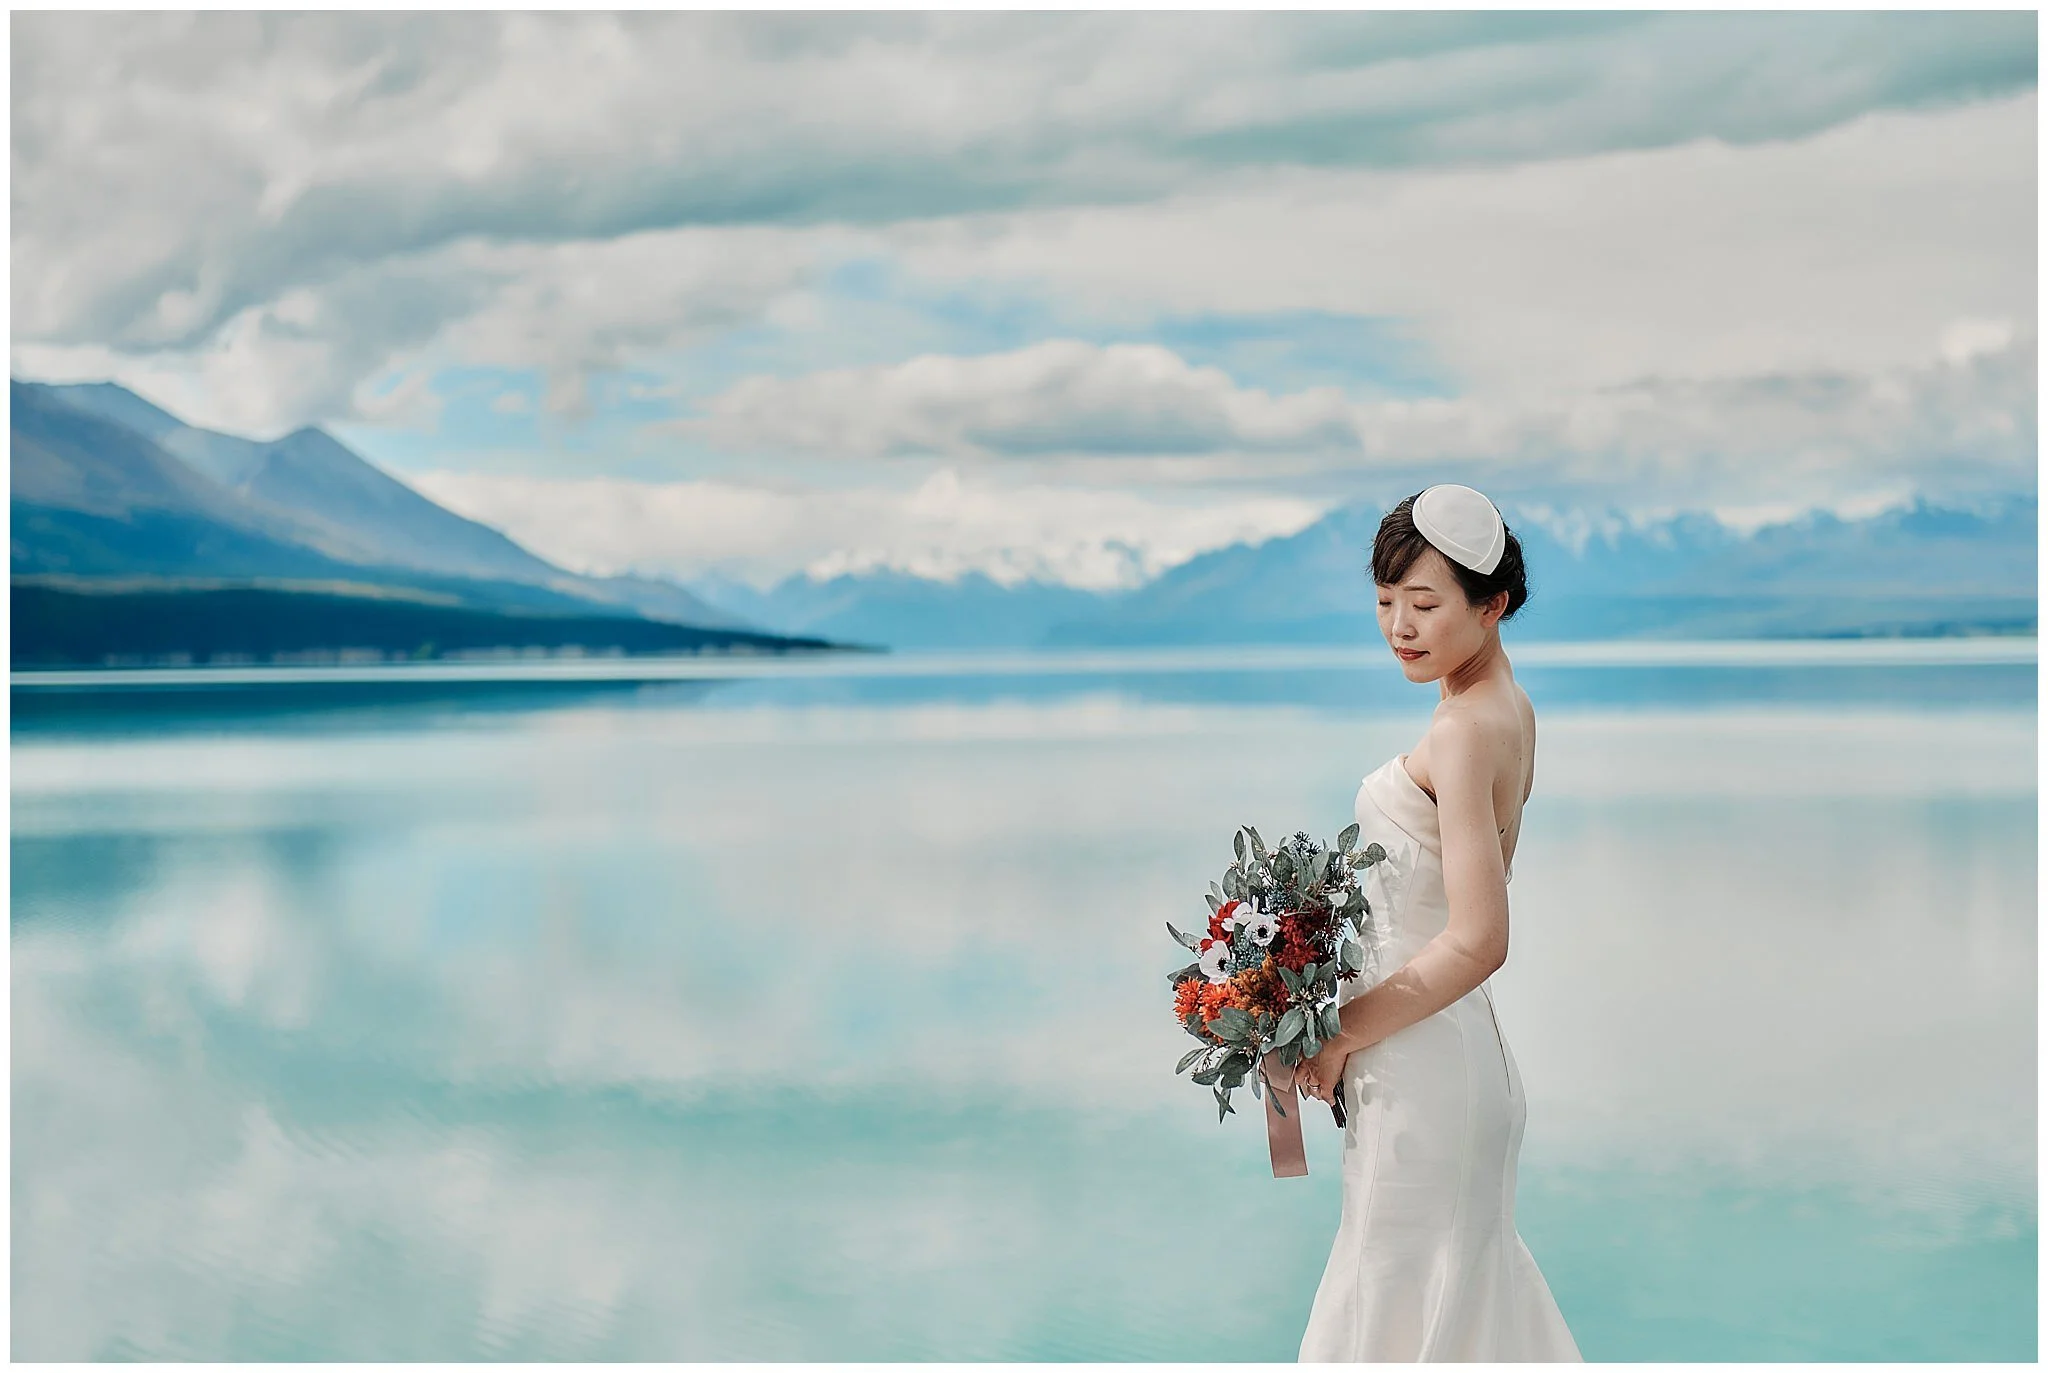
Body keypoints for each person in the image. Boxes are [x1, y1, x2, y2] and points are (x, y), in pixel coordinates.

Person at [1292, 483, 1583, 1362]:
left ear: (1492, 605)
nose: (1400, 627)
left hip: (1420, 1072)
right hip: (1452, 1055)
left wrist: (1337, 1032)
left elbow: (1480, 937)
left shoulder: (1461, 729)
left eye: (1425, 604)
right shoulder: (1507, 707)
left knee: (1391, 1307)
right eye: (1386, 602)